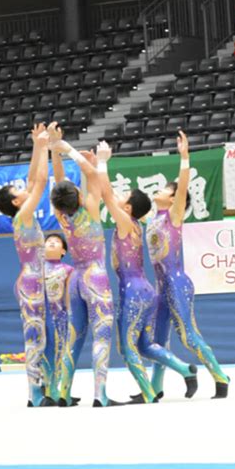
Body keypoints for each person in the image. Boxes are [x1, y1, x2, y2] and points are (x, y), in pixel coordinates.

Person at [94, 141, 198, 404]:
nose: (118, 198)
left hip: (134, 291)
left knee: (126, 347)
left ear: (127, 208)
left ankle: (150, 393)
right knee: (144, 345)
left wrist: (103, 162)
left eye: (123, 197)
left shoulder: (126, 222)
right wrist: (87, 161)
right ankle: (186, 370)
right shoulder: (137, 223)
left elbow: (106, 195)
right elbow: (108, 194)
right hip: (143, 290)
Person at [146, 131, 230, 399]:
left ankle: (220, 375)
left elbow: (182, 187)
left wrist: (184, 158)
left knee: (188, 336)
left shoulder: (173, 215)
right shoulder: (153, 218)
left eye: (164, 190)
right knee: (159, 339)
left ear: (173, 199)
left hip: (176, 282)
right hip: (161, 285)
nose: (157, 191)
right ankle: (155, 387)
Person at [48, 123, 119, 407]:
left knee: (74, 337)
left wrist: (54, 149)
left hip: (76, 279)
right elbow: (91, 174)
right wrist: (66, 149)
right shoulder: (89, 210)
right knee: (101, 335)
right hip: (96, 276)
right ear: (78, 197)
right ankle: (100, 394)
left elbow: (59, 183)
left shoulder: (62, 215)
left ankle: (63, 392)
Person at [0, 124, 54, 408]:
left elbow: (32, 180)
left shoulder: (22, 212)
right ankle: (35, 393)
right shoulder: (23, 216)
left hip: (34, 278)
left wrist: (37, 145)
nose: (23, 187)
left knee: (41, 335)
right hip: (31, 282)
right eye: (17, 189)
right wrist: (43, 148)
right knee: (34, 337)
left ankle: (47, 387)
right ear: (16, 201)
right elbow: (40, 182)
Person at [44, 232, 74, 403]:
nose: (52, 243)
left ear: (63, 251)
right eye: (49, 241)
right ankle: (45, 387)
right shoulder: (37, 268)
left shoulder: (68, 270)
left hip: (60, 316)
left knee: (59, 351)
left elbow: (69, 296)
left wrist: (70, 315)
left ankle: (55, 388)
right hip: (41, 315)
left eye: (57, 242)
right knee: (44, 351)